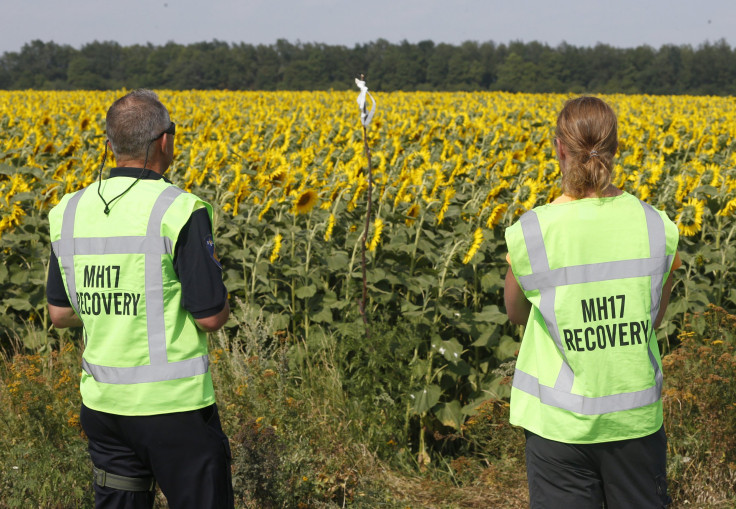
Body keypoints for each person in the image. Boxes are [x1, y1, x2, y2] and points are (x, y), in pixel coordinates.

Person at [46, 89, 234, 508]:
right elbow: (208, 317)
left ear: (109, 145)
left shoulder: (68, 211)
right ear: (165, 140)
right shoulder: (179, 209)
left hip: (104, 409)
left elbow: (60, 313)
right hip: (173, 409)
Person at [503, 96, 679, 508]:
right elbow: (652, 318)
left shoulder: (533, 232)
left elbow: (515, 313)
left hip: (558, 427)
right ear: (615, 150)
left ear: (559, 149)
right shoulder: (656, 226)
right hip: (634, 424)